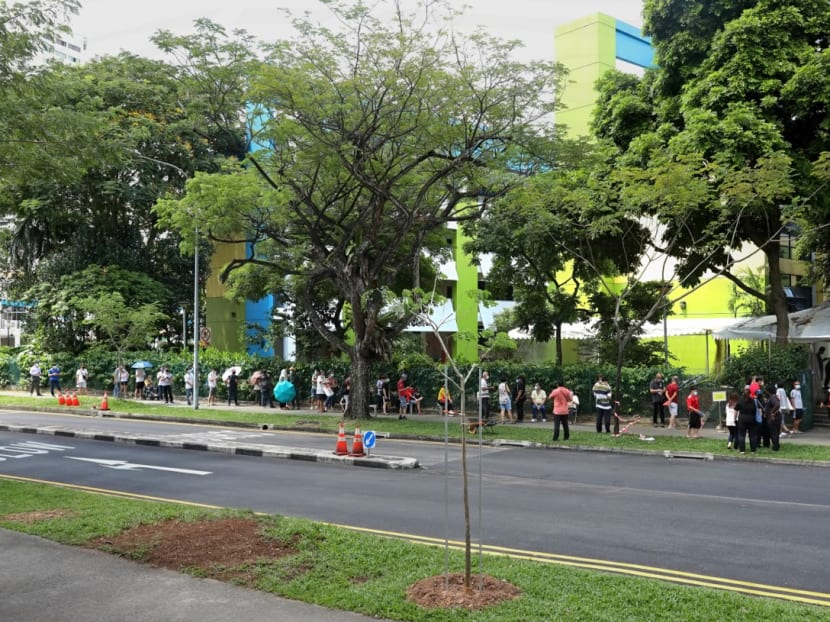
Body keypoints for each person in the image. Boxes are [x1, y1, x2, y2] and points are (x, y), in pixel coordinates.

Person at [736, 388, 761, 455]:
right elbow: (756, 409)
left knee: (741, 435)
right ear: (750, 394)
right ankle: (753, 450)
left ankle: (742, 450)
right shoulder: (753, 401)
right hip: (752, 419)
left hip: (742, 419)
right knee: (753, 435)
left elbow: (736, 409)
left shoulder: (740, 401)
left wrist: (735, 418)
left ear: (743, 394)